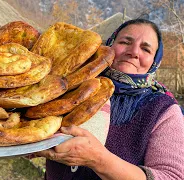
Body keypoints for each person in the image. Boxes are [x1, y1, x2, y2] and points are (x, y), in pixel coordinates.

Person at [35, 19, 184, 180]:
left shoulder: (163, 110)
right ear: (110, 45)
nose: (134, 51)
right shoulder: (72, 85)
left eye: (145, 49)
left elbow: (172, 176)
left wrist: (98, 159)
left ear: (155, 62)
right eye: (125, 42)